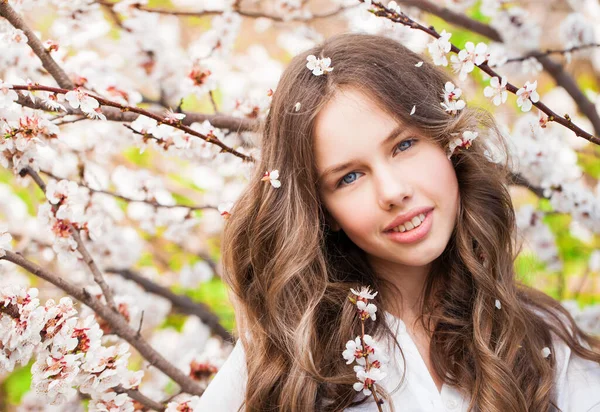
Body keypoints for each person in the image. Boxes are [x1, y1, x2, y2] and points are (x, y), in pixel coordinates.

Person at [198, 32, 600, 411]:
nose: (392, 192)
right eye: (349, 177)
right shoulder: (283, 366)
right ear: (323, 211)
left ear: (448, 142)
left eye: (404, 145)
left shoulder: (540, 339)